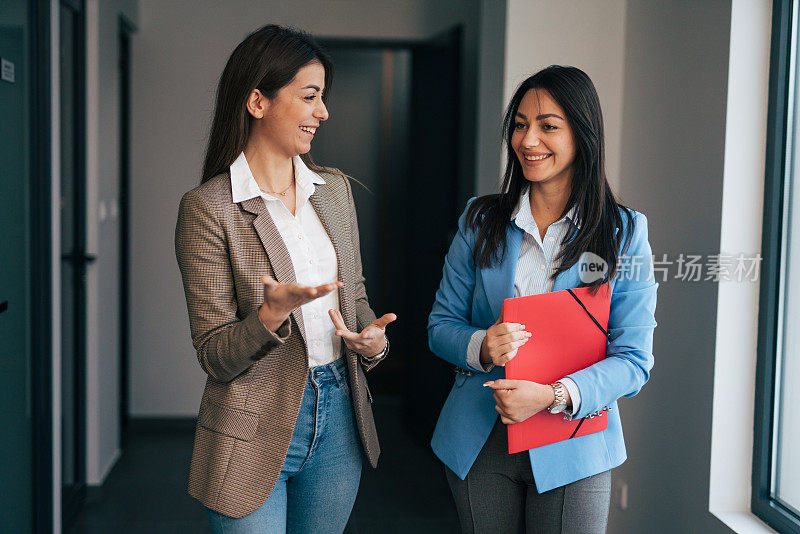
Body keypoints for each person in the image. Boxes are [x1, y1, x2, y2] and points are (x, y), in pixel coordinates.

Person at [175, 24, 396, 533]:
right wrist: (270, 315)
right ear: (258, 101)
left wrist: (371, 343)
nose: (323, 113)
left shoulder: (335, 192)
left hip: (339, 414)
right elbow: (214, 353)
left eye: (324, 98)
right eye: (310, 97)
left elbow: (356, 299)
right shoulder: (208, 209)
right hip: (250, 426)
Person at [427, 65, 657, 533]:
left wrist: (553, 395)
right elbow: (440, 326)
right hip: (481, 434)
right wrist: (481, 346)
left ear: (583, 134)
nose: (528, 140)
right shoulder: (481, 218)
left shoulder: (624, 232)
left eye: (548, 126)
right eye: (520, 125)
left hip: (574, 440)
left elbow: (633, 359)